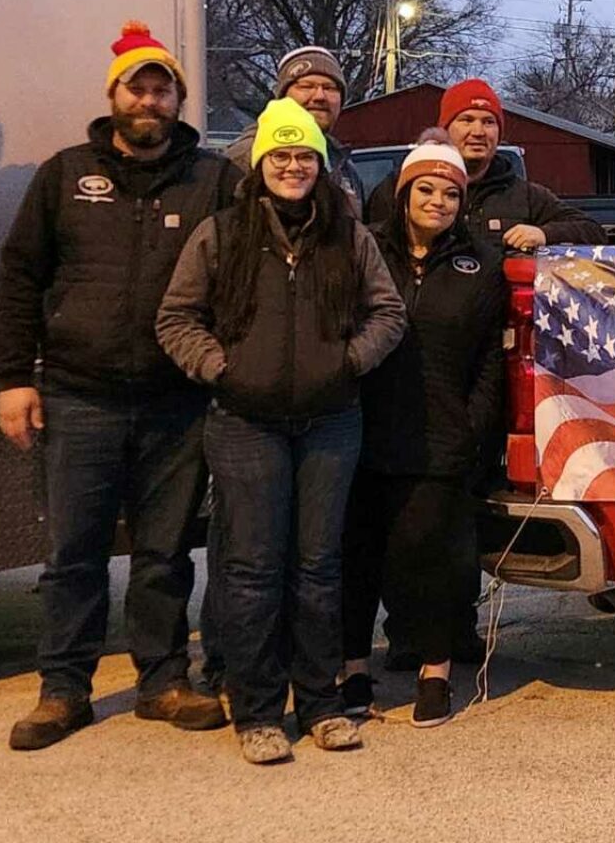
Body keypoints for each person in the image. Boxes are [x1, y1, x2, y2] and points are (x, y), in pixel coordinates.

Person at [0, 22, 237, 750]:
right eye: (140, 86)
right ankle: (62, 689)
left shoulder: (215, 180)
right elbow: (19, 277)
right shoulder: (65, 175)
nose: (151, 100)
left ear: (177, 102)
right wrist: (14, 378)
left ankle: (163, 680)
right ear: (115, 94)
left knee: (165, 553)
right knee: (75, 550)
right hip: (78, 394)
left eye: (164, 89)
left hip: (177, 401)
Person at [157, 97, 407, 764]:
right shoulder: (221, 233)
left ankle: (321, 702)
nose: (294, 166)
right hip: (244, 423)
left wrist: (346, 362)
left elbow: (389, 313)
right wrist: (221, 369)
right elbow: (176, 319)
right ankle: (258, 710)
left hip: (330, 423)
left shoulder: (347, 236)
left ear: (320, 165)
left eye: (305, 156)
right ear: (261, 161)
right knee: (250, 568)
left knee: (319, 567)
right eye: (282, 154)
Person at [341, 133, 507, 728]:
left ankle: (435, 671)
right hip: (362, 429)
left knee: (429, 555)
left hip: (440, 434)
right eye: (427, 189)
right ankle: (354, 668)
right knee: (358, 556)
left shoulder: (478, 266)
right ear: (405, 192)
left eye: (451, 193)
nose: (437, 201)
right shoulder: (364, 251)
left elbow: (491, 359)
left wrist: (473, 425)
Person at [364, 79, 608, 253]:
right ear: (445, 129)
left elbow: (593, 231)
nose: (478, 132)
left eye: (488, 122)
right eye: (466, 120)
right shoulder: (402, 189)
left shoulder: (525, 196)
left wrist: (544, 234)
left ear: (499, 133)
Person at [225, 46, 364, 211]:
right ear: (282, 96)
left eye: (330, 88)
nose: (320, 96)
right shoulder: (243, 157)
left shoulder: (343, 164)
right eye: (306, 86)